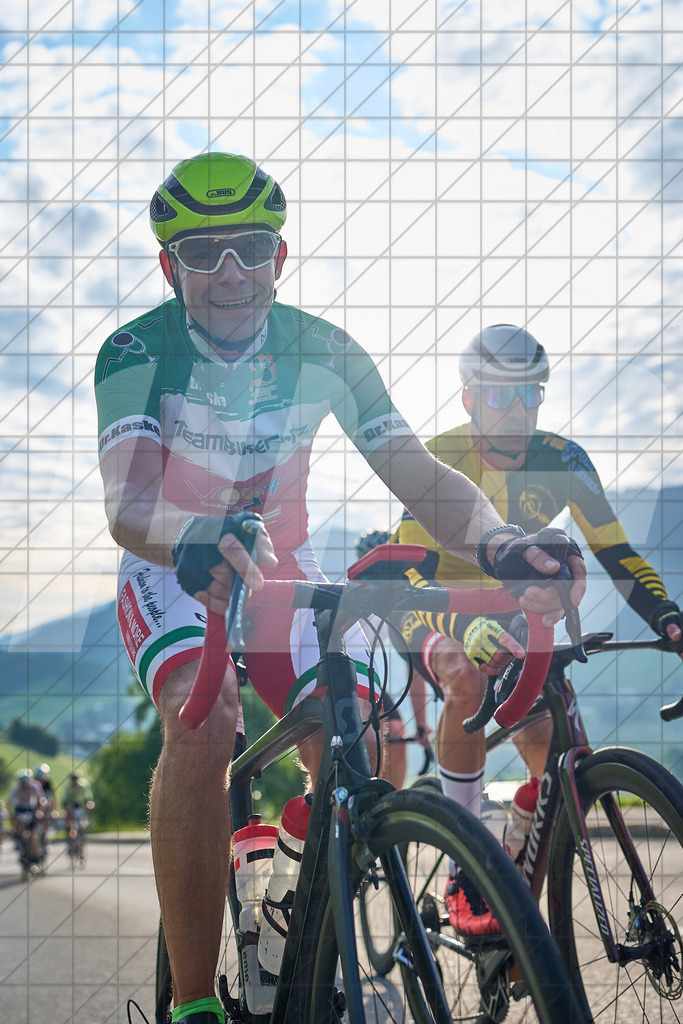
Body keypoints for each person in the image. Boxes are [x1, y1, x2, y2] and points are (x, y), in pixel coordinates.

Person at [95, 154, 585, 1024]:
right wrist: (188, 534)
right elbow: (130, 502)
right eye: (203, 254)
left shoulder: (321, 347)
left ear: (279, 256)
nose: (231, 271)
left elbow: (417, 475)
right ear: (169, 268)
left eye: (250, 247)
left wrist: (502, 542)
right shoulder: (136, 349)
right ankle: (197, 1004)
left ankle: (290, 887)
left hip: (282, 566)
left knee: (361, 729)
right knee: (200, 722)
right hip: (179, 562)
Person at [394, 323, 683, 935]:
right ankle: (462, 848)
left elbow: (618, 555)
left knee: (551, 742)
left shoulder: (564, 460)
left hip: (506, 605)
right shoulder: (438, 458)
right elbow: (410, 576)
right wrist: (455, 626)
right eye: (500, 395)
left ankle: (521, 883)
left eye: (532, 393)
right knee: (463, 677)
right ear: (469, 398)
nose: (518, 410)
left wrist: (669, 620)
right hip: (426, 600)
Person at [354, 531, 433, 788]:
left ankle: (392, 800)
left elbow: (415, 669)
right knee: (382, 732)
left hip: (370, 676)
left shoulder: (401, 605)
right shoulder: (355, 597)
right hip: (345, 673)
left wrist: (421, 724)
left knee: (396, 731)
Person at [8, 769, 47, 865]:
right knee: (18, 825)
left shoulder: (35, 786)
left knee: (33, 834)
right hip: (20, 808)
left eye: (26, 783)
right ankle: (18, 840)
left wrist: (40, 811)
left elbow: (42, 800)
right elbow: (9, 804)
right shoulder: (16, 789)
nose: (24, 785)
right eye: (22, 783)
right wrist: (11, 815)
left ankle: (33, 855)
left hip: (31, 808)